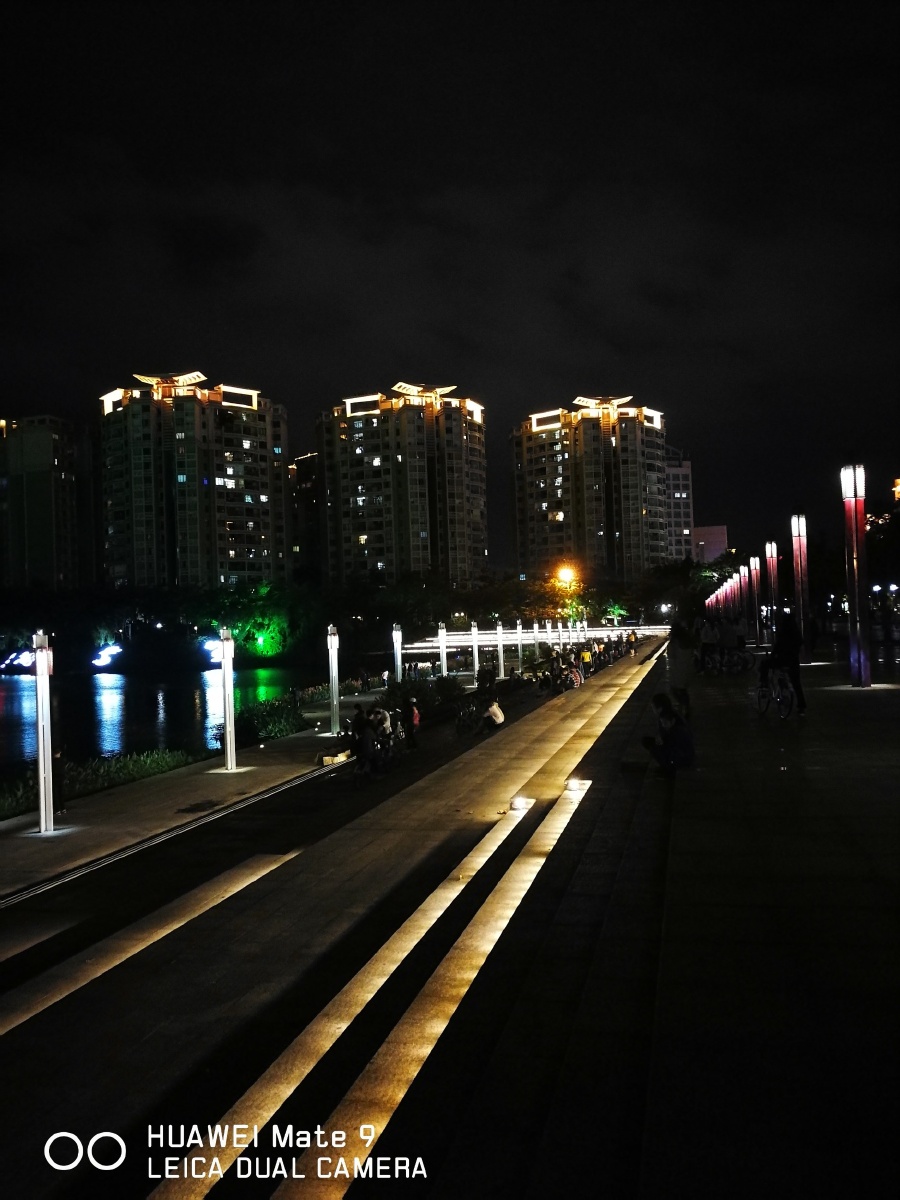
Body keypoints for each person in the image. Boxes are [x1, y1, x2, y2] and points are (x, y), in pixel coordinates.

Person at [641, 693, 695, 773]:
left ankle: (667, 768)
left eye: (653, 707)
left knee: (653, 748)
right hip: (679, 751)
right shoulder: (671, 715)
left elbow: (672, 742)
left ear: (659, 708)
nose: (653, 710)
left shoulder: (670, 720)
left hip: (680, 756)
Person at [772, 611, 807, 714]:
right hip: (793, 660)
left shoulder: (783, 633)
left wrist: (773, 655)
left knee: (778, 674)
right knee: (796, 683)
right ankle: (801, 705)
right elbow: (800, 643)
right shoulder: (796, 632)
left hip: (783, 659)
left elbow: (777, 646)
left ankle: (781, 693)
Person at [666, 621, 695, 719]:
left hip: (677, 668)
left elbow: (671, 655)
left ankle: (684, 706)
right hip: (687, 667)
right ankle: (685, 707)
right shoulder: (687, 639)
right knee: (683, 690)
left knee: (674, 690)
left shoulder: (674, 642)